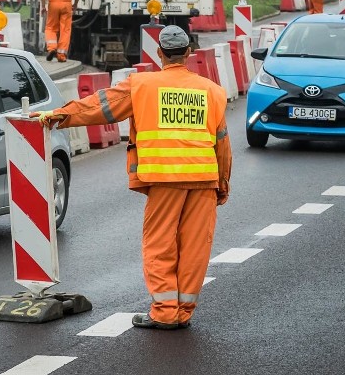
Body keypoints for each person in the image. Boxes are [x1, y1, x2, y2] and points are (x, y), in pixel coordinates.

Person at [31, 25, 232, 330]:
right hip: (204, 179)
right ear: (189, 53)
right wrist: (223, 184)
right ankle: (183, 311)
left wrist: (59, 115)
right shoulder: (213, 92)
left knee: (160, 245)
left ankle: (165, 311)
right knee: (195, 248)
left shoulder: (141, 86)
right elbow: (223, 145)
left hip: (164, 180)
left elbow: (98, 107)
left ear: (160, 53)